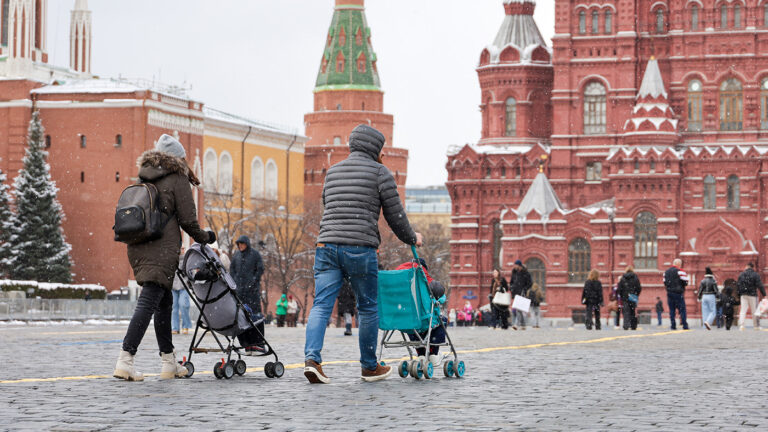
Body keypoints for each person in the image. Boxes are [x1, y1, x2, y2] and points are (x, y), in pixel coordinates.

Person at [303, 124, 422, 384]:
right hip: (360, 247)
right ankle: (369, 367)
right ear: (375, 149)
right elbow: (395, 215)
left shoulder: (332, 171)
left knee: (321, 304)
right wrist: (412, 238)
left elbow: (327, 204)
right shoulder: (380, 173)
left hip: (326, 246)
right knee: (367, 307)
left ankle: (312, 359)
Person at [113, 134, 215, 381]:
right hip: (161, 247)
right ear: (178, 158)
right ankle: (125, 359)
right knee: (149, 301)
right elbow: (188, 219)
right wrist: (206, 237)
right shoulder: (177, 177)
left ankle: (169, 361)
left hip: (138, 244)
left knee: (164, 303)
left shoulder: (144, 176)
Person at [230, 235, 266, 351]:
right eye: (238, 244)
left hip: (252, 292)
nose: (240, 246)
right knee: (242, 317)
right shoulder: (236, 256)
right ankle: (246, 343)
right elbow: (232, 270)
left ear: (247, 244)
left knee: (255, 316)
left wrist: (254, 281)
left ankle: (258, 342)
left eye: (242, 244)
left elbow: (260, 269)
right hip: (240, 292)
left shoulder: (255, 255)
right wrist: (235, 283)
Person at [406, 280, 449, 368]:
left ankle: (420, 353)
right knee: (442, 321)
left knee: (411, 326)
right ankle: (433, 353)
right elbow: (442, 298)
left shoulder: (414, 295)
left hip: (409, 322)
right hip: (426, 322)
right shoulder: (430, 299)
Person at [737, 262, 765, 330]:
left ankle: (742, 325)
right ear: (753, 267)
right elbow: (760, 285)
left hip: (743, 295)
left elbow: (738, 285)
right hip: (752, 295)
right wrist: (764, 294)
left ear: (746, 266)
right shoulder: (755, 274)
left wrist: (739, 294)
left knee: (743, 310)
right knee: (754, 311)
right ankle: (756, 326)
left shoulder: (741, 274)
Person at [663, 258, 689, 330]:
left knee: (672, 310)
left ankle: (673, 325)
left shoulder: (666, 272)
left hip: (670, 293)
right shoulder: (680, 271)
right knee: (682, 309)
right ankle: (684, 325)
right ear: (679, 264)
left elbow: (664, 282)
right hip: (678, 293)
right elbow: (686, 281)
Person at [171, 250, 191, 335]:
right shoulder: (171, 259)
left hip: (184, 286)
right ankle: (174, 327)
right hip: (173, 286)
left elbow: (190, 272)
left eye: (182, 248)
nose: (180, 250)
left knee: (183, 305)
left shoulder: (187, 260)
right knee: (173, 308)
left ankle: (185, 326)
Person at [509, 260, 532, 330]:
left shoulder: (525, 273)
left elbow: (530, 283)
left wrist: (524, 289)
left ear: (519, 265)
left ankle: (516, 324)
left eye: (516, 265)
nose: (514, 266)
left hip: (522, 293)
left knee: (518, 309)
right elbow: (511, 282)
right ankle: (523, 324)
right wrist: (512, 288)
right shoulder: (514, 272)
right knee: (518, 310)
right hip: (515, 293)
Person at [617, 266, 641, 330]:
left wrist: (622, 295)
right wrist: (636, 295)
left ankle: (626, 325)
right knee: (632, 311)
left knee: (626, 311)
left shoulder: (623, 278)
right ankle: (633, 326)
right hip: (633, 297)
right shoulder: (635, 277)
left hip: (625, 297)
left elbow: (619, 288)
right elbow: (639, 288)